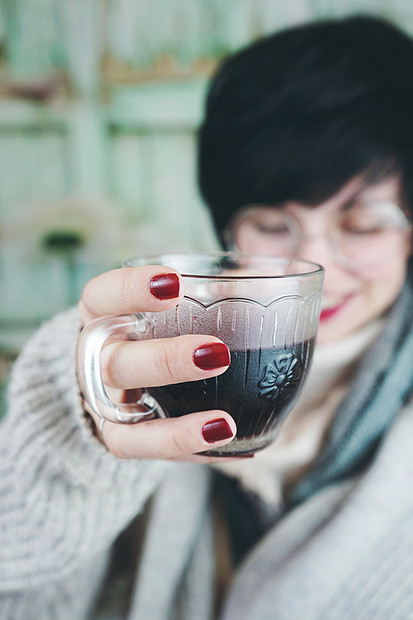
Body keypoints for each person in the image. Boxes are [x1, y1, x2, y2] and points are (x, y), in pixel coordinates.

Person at [1, 14, 413, 620]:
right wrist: (75, 420)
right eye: (274, 225)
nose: (317, 260)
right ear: (227, 232)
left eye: (364, 223)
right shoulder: (151, 372)